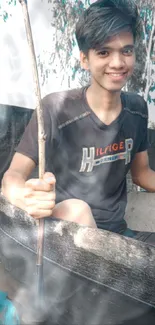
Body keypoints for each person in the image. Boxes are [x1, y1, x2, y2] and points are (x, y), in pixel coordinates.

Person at [2, 0, 155, 242]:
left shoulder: (137, 108)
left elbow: (142, 173)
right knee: (78, 210)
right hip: (67, 238)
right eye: (103, 52)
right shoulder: (56, 108)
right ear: (84, 59)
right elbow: (13, 176)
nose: (117, 63)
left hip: (116, 236)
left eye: (126, 50)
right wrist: (24, 196)